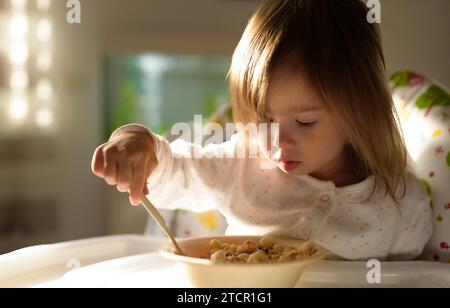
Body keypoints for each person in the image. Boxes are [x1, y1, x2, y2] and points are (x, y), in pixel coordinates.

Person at [91, 0, 432, 260]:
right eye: (264, 120)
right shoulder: (243, 164)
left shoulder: (401, 203)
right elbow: (181, 169)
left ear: (359, 110)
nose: (277, 141)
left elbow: (416, 278)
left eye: (305, 122)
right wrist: (143, 148)